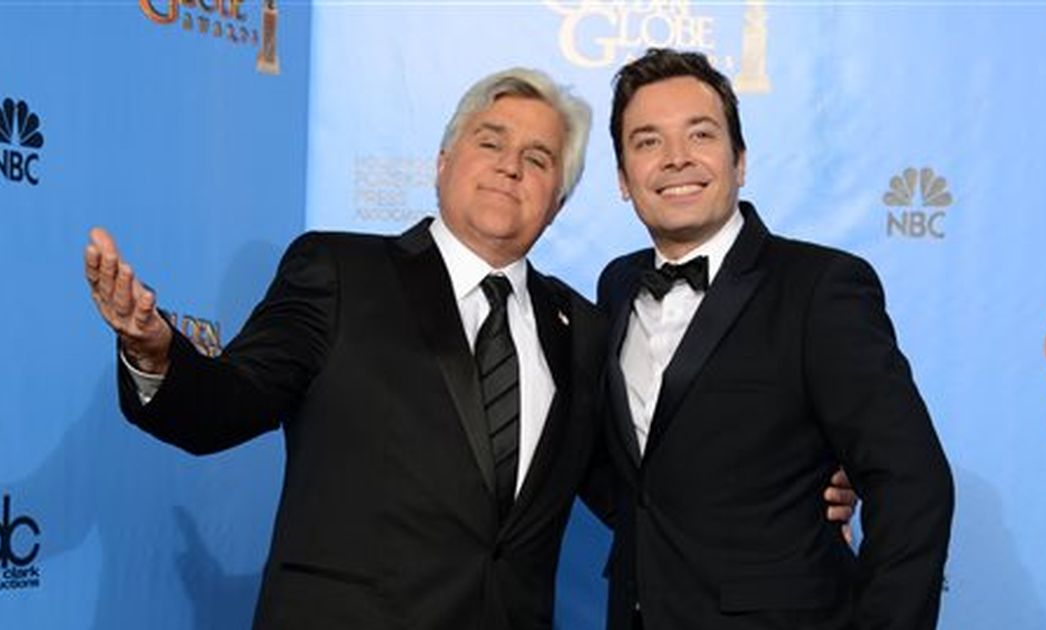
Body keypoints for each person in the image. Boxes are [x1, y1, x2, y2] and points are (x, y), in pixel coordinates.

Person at [85, 66, 856, 629]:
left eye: (539, 158)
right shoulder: (339, 271)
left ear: (559, 200)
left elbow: (639, 492)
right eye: (491, 142)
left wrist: (792, 489)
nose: (511, 167)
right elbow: (227, 405)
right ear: (443, 162)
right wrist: (156, 354)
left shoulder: (583, 327)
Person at [596, 48, 954, 630]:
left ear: (740, 161)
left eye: (701, 134)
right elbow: (637, 474)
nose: (676, 158)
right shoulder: (616, 286)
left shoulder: (821, 287)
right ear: (622, 178)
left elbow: (912, 482)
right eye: (647, 141)